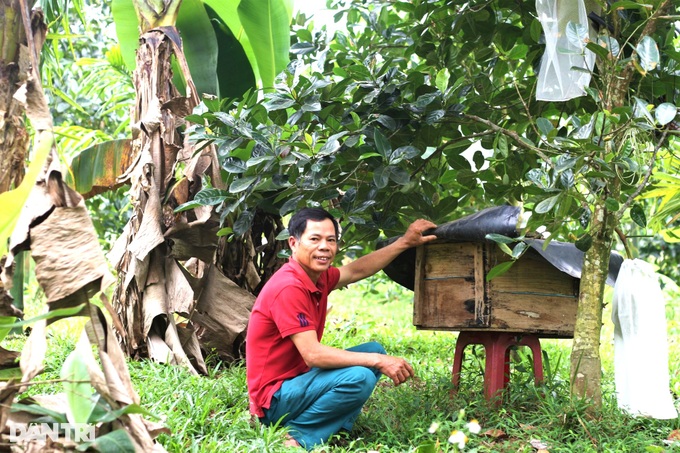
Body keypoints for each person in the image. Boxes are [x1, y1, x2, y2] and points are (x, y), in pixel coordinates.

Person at [245, 207, 438, 450]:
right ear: (293, 243)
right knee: (359, 376)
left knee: (373, 350)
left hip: (296, 382)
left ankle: (333, 426)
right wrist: (378, 360)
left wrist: (405, 242)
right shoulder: (289, 287)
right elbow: (313, 355)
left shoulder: (315, 276)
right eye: (314, 239)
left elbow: (357, 270)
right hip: (273, 401)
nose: (324, 246)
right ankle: (296, 436)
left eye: (331, 240)